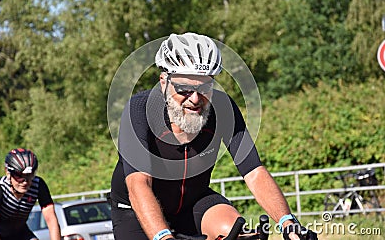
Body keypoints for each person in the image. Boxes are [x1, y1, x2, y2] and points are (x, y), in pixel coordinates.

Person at [109, 32, 317, 240]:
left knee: (233, 231)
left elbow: (253, 171)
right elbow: (139, 184)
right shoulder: (139, 110)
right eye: (184, 89)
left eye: (204, 88)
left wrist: (288, 223)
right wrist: (164, 237)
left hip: (193, 204)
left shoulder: (223, 109)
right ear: (164, 83)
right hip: (135, 211)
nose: (195, 99)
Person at [0, 148, 61, 240]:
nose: (25, 182)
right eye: (19, 176)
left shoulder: (38, 185)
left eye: (29, 176)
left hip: (20, 233)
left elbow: (51, 220)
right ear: (8, 173)